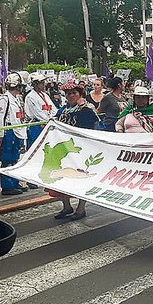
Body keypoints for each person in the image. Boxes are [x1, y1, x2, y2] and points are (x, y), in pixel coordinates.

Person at [51, 80, 102, 220]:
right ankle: (66, 206)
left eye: (74, 93)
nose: (71, 95)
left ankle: (81, 208)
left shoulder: (87, 109)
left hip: (82, 149)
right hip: (64, 150)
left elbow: (94, 128)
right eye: (68, 93)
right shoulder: (63, 110)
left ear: (80, 94)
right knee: (62, 177)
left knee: (81, 177)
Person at [0, 73, 27, 196]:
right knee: (7, 159)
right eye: (19, 86)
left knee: (15, 158)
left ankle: (14, 182)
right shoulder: (5, 98)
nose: (21, 89)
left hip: (16, 131)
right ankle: (7, 186)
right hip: (8, 131)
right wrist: (1, 134)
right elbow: (0, 117)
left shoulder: (16, 99)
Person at [24, 73, 57, 150]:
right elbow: (38, 113)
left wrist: (54, 117)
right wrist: (49, 120)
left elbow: (53, 108)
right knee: (35, 148)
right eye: (42, 83)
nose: (44, 85)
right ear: (35, 84)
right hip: (36, 125)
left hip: (47, 124)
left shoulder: (45, 95)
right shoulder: (30, 97)